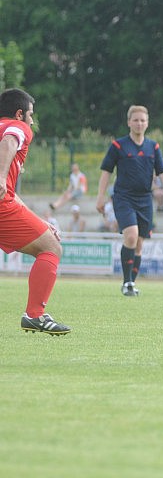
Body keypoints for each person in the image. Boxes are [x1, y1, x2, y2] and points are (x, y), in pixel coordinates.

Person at [0, 88, 71, 335]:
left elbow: (10, 190)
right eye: (31, 114)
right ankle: (35, 315)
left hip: (7, 201)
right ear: (20, 114)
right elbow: (10, 139)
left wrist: (39, 220)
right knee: (51, 248)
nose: (33, 120)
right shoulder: (17, 127)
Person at [95, 105, 163, 297]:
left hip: (145, 200)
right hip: (123, 198)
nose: (139, 123)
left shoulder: (153, 147)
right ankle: (127, 282)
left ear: (147, 123)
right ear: (129, 122)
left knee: (139, 244)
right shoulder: (118, 146)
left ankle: (131, 282)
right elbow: (106, 171)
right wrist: (100, 196)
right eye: (136, 120)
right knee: (131, 236)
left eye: (143, 120)